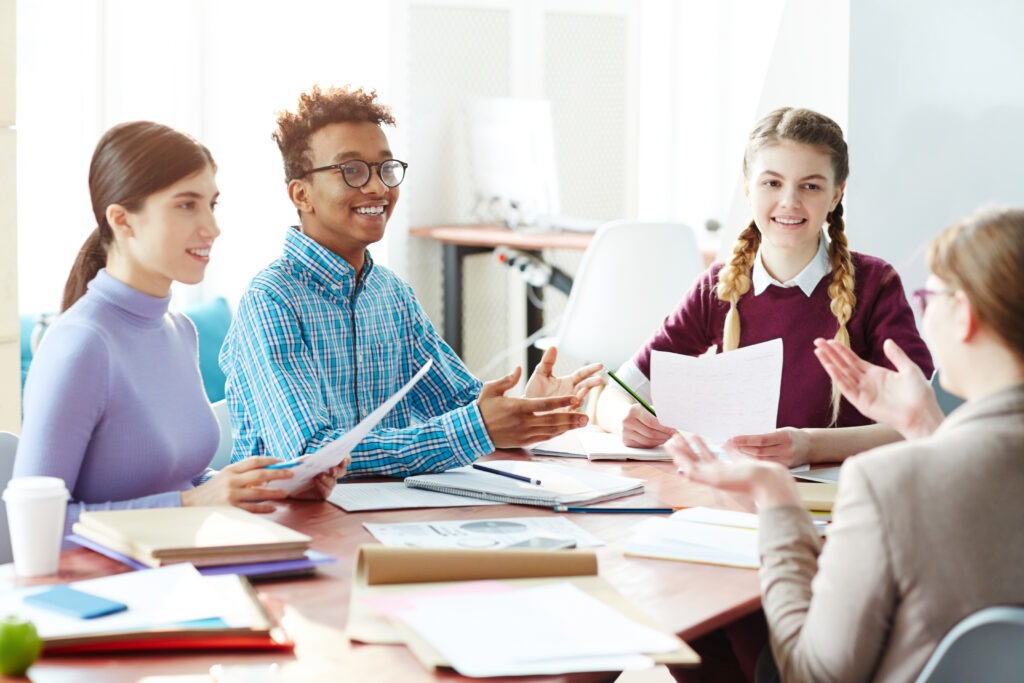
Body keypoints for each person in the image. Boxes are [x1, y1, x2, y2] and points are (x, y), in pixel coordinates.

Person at [669, 205, 1024, 682]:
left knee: (696, 618)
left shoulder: (887, 484)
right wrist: (924, 425)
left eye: (931, 296)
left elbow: (811, 674)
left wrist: (776, 496)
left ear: (964, 316)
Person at [219, 86, 601, 476]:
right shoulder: (271, 299)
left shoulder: (391, 294)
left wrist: (523, 411)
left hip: (389, 514)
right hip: (294, 526)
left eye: (385, 168)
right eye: (351, 170)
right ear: (301, 195)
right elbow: (311, 456)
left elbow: (462, 406)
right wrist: (481, 427)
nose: (377, 187)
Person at [16, 121, 343, 536]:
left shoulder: (179, 330)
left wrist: (272, 486)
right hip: (117, 589)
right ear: (122, 220)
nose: (212, 227)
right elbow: (36, 527)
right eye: (187, 205)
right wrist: (189, 503)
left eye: (212, 204)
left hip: (184, 568)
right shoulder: (81, 345)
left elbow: (175, 479)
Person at [596, 107, 933, 466]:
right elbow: (613, 394)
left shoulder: (875, 284)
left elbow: (921, 420)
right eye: (772, 183)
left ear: (836, 195)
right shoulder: (718, 287)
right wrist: (622, 420)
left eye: (811, 186)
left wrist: (809, 445)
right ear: (747, 188)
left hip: (842, 496)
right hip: (738, 491)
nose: (789, 201)